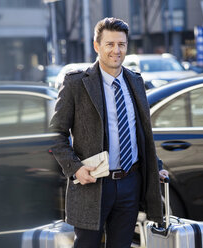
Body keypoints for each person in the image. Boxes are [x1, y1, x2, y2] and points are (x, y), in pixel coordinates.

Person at [50, 17, 169, 248]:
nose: (116, 50)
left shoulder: (135, 81)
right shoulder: (76, 83)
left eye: (121, 44)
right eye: (110, 44)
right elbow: (56, 134)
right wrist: (75, 169)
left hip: (130, 183)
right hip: (92, 184)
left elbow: (139, 135)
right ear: (97, 46)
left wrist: (157, 167)